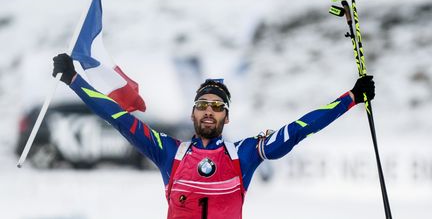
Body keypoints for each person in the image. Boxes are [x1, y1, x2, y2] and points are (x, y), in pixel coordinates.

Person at [52, 53, 375, 219]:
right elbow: (118, 116)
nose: (209, 110)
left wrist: (351, 98)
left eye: (217, 106)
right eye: (202, 105)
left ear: (227, 116)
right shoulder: (169, 151)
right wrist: (73, 79)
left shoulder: (243, 154)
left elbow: (301, 128)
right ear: (193, 114)